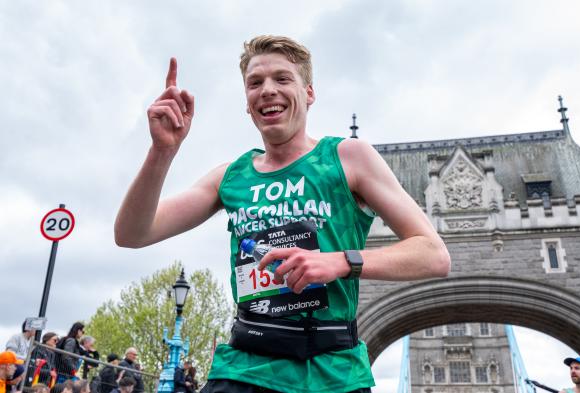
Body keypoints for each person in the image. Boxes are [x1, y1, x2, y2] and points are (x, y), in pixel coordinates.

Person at [114, 35, 451, 393]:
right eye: (255, 83)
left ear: (308, 93)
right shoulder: (230, 176)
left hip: (333, 372)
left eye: (282, 79)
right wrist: (162, 151)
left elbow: (433, 255)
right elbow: (133, 234)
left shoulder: (348, 157)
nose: (268, 90)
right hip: (244, 369)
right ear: (247, 103)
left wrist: (340, 261)